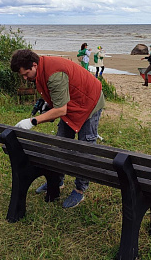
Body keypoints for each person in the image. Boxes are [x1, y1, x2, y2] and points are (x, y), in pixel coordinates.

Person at [10, 49, 105, 209]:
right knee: (61, 142)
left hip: (90, 102)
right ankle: (56, 181)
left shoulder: (54, 73)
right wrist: (48, 103)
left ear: (34, 65)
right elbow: (57, 99)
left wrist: (33, 121)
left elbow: (61, 110)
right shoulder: (41, 69)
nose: (25, 78)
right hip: (72, 102)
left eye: (26, 74)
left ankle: (80, 189)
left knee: (85, 147)